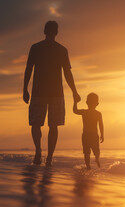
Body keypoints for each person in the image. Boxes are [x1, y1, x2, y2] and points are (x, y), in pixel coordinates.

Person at [23, 21, 80, 166]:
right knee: (53, 126)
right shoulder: (62, 50)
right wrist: (74, 92)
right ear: (57, 32)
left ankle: (38, 151)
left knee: (36, 124)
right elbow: (68, 73)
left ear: (44, 31)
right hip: (56, 93)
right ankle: (49, 158)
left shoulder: (35, 47)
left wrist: (24, 89)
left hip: (38, 92)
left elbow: (28, 69)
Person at [73, 93, 104, 169]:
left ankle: (88, 166)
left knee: (87, 153)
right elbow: (101, 125)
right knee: (95, 151)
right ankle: (96, 159)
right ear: (97, 103)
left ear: (86, 102)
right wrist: (102, 135)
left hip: (87, 135)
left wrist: (75, 102)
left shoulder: (85, 112)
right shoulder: (97, 113)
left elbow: (75, 110)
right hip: (93, 135)